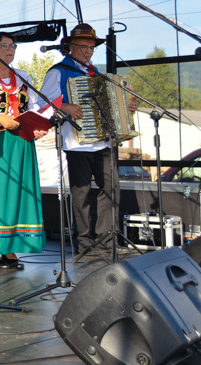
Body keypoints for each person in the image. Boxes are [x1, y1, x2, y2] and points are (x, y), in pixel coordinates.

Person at [39, 23, 137, 255]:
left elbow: (113, 105)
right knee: (81, 192)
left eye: (92, 48)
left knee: (111, 188)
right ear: (70, 47)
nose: (88, 52)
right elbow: (41, 103)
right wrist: (65, 106)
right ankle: (83, 240)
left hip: (103, 141)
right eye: (83, 47)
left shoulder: (97, 74)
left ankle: (106, 238)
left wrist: (128, 106)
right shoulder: (58, 71)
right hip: (76, 142)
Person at [0, 32, 47, 270]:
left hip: (21, 143)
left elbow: (33, 109)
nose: (10, 50)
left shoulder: (23, 77)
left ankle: (11, 246)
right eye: (4, 46)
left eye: (12, 46)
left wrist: (38, 128)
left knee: (17, 194)